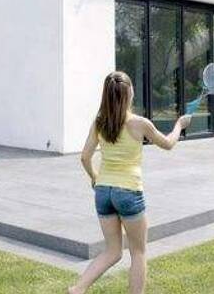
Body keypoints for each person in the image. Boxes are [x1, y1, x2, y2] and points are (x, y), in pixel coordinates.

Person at [69, 71, 191, 294]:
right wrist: (179, 125)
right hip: (128, 192)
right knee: (138, 252)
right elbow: (168, 143)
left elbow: (85, 157)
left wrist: (95, 177)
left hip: (103, 192)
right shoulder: (139, 123)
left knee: (112, 251)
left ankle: (78, 289)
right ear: (130, 93)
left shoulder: (99, 122)